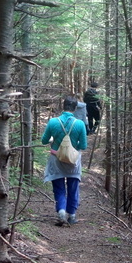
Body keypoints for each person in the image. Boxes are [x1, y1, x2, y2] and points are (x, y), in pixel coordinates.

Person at [41, 96, 88, 225]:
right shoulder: (80, 124)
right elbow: (83, 146)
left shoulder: (53, 122)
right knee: (73, 187)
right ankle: (72, 215)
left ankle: (61, 212)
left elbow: (44, 141)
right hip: (73, 161)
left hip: (56, 159)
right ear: (75, 108)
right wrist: (72, 149)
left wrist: (55, 142)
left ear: (64, 106)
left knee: (58, 187)